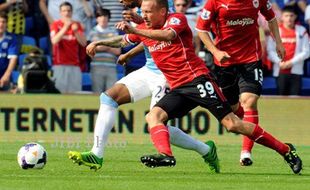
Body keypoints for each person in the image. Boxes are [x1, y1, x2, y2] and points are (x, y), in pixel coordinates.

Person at [116, 0, 302, 174]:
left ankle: (286, 151)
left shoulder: (176, 19)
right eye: (143, 13)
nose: (144, 15)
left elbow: (168, 35)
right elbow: (124, 40)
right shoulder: (143, 28)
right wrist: (99, 44)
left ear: (162, 11)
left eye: (148, 12)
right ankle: (167, 155)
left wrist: (137, 29)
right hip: (179, 87)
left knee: (232, 124)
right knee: (153, 116)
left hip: (198, 81)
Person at [68, 0, 220, 173]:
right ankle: (96, 154)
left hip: (167, 72)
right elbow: (144, 35)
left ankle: (205, 150)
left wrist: (136, 26)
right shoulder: (139, 9)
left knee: (157, 122)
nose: (120, 1)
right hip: (149, 69)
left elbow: (161, 34)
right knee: (109, 97)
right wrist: (120, 48)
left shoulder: (160, 4)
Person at [195, 0, 286, 166]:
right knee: (234, 108)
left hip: (251, 59)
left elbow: (271, 18)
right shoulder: (214, 3)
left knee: (249, 101)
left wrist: (278, 42)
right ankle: (255, 129)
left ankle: (246, 152)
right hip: (224, 62)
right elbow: (201, 29)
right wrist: (215, 51)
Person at [268, 6, 310, 95]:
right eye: (286, 16)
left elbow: (307, 51)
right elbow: (270, 51)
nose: (289, 18)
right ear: (282, 17)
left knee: (295, 100)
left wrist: (291, 62)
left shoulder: (302, 31)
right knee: (280, 100)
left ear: (295, 17)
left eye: (291, 16)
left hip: (296, 71)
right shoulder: (276, 31)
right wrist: (279, 62)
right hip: (280, 70)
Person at [50, 1, 87, 93]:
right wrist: (66, 27)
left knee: (75, 94)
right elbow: (54, 41)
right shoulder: (55, 25)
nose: (66, 13)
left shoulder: (77, 25)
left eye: (69, 11)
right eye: (64, 11)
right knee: (59, 93)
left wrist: (76, 32)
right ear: (60, 12)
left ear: (72, 12)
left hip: (75, 66)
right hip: (59, 65)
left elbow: (83, 43)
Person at [88, 8, 121, 93]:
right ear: (97, 18)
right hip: (96, 67)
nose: (103, 18)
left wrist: (100, 45)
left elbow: (118, 51)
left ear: (108, 18)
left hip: (111, 67)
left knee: (111, 95)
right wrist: (109, 45)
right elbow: (93, 49)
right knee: (96, 94)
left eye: (105, 16)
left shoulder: (114, 32)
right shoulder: (92, 31)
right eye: (100, 16)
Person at [0, 12, 18, 91]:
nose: (1, 24)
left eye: (3, 22)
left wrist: (7, 74)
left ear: (6, 24)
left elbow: (13, 58)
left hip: (4, 75)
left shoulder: (11, 38)